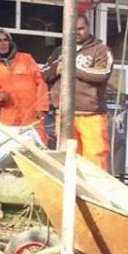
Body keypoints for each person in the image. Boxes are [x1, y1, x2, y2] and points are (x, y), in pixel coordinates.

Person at [43, 14, 114, 169]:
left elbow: (102, 75)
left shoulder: (101, 50)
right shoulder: (60, 51)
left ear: (88, 28)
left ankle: (95, 193)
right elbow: (44, 73)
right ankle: (70, 193)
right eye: (74, 30)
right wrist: (57, 69)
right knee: (66, 159)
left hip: (91, 114)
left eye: (81, 28)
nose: (78, 32)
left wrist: (71, 69)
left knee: (95, 159)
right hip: (64, 113)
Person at [0, 29, 50, 144]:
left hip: (33, 114)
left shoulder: (26, 59)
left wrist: (42, 107)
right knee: (10, 146)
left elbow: (41, 82)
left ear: (10, 42)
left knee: (38, 145)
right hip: (9, 115)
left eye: (5, 40)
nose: (2, 43)